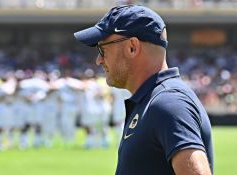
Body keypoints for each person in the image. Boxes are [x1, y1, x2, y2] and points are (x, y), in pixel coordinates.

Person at [74, 5, 213, 175]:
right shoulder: (154, 100)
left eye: (102, 49)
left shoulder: (168, 102)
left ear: (132, 47)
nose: (99, 60)